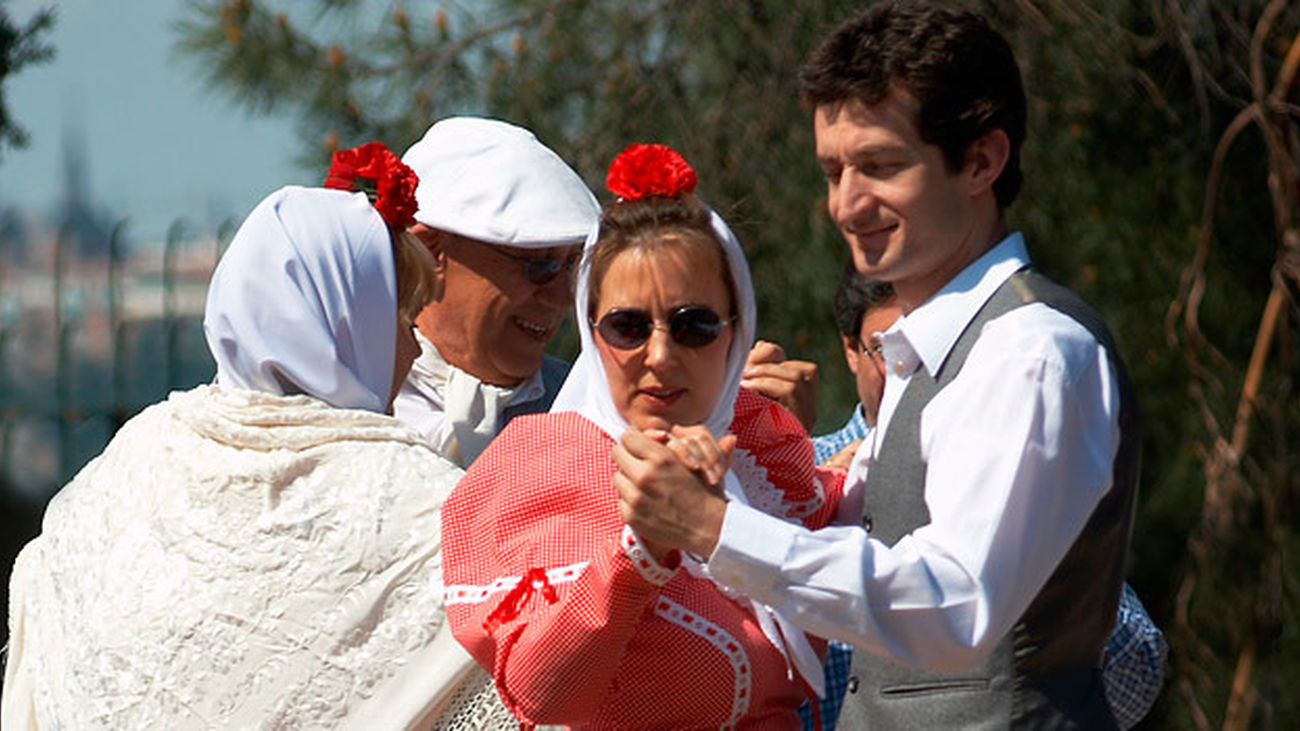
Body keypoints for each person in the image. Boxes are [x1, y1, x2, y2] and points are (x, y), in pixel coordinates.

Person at [616, 3, 1146, 728]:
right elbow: (869, 549)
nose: (846, 204)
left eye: (881, 166)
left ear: (982, 161)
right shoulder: (923, 356)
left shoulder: (1032, 354)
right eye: (833, 170)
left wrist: (715, 527)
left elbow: (954, 602)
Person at [2, 145, 511, 729]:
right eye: (401, 317)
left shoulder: (120, 473)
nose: (414, 346)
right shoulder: (424, 505)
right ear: (349, 325)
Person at [441, 144, 843, 728]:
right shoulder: (546, 466)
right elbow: (537, 692)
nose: (659, 355)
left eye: (693, 326)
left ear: (737, 330)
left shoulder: (762, 459)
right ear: (592, 330)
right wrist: (641, 553)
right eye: (629, 326)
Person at [788, 265, 1166, 729]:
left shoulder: (1003, 466)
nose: (916, 366)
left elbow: (1136, 662)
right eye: (891, 349)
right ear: (851, 350)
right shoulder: (795, 479)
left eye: (935, 348)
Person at [392, 116, 600, 467]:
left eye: (571, 268)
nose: (562, 299)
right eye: (539, 267)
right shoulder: (349, 400)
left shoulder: (592, 414)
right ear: (431, 253)